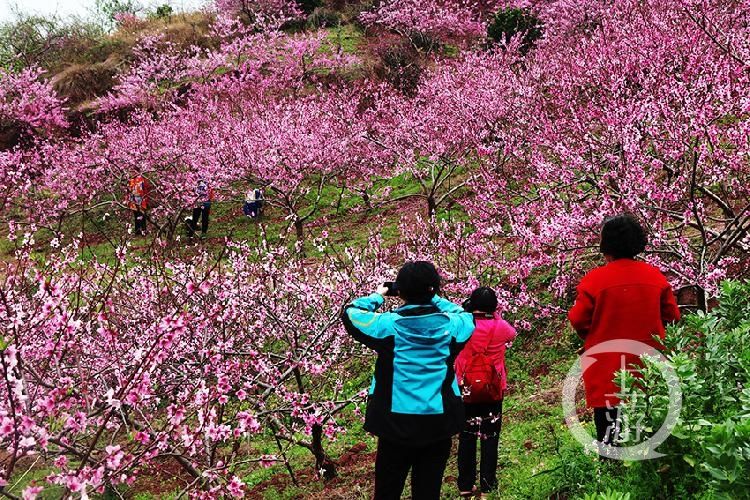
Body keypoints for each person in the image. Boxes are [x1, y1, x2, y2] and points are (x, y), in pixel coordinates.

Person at [341, 261, 475, 500]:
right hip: (438, 422)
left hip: (395, 424)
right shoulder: (454, 327)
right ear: (433, 289)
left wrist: (380, 295)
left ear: (400, 292)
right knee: (428, 492)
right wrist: (432, 296)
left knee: (387, 492)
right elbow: (463, 314)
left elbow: (351, 312)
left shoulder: (387, 326)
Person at [568, 214, 680, 448]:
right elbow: (672, 317)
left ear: (605, 245)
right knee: (649, 432)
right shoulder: (656, 277)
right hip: (648, 368)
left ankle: (610, 478)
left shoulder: (593, 281)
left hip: (606, 368)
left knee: (609, 436)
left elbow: (578, 319)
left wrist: (594, 333)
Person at [454, 287, 516, 497]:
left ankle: (465, 484)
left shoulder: (464, 325)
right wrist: (495, 315)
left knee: (467, 435)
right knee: (490, 436)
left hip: (466, 388)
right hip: (492, 389)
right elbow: (512, 334)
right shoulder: (500, 326)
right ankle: (488, 484)